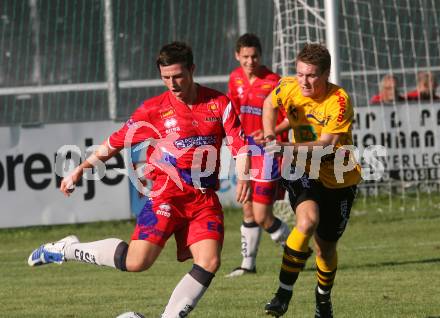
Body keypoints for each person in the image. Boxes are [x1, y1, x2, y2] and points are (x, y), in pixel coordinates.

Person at [27, 42, 251, 318]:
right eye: (166, 77)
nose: (173, 83)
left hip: (203, 199)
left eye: (178, 75)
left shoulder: (218, 103)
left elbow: (240, 146)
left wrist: (243, 176)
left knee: (209, 261)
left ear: (192, 70)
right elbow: (115, 143)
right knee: (136, 262)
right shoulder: (153, 110)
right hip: (166, 195)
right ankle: (66, 249)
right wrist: (81, 169)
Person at [261, 43, 361, 318]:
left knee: (325, 248)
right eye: (300, 73)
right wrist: (270, 134)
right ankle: (282, 294)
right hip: (301, 167)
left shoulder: (339, 100)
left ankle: (323, 300)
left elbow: (326, 145)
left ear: (326, 74)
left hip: (339, 176)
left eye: (312, 75)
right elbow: (269, 103)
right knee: (307, 221)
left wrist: (282, 147)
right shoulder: (289, 86)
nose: (304, 81)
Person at [225, 33, 291, 277]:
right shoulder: (234, 79)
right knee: (248, 210)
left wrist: (269, 130)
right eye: (245, 57)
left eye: (254, 57)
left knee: (263, 216)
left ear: (261, 56)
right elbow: (231, 111)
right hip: (245, 152)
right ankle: (247, 266)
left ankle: (296, 251)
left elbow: (289, 118)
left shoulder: (274, 81)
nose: (250, 61)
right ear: (237, 56)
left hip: (268, 154)